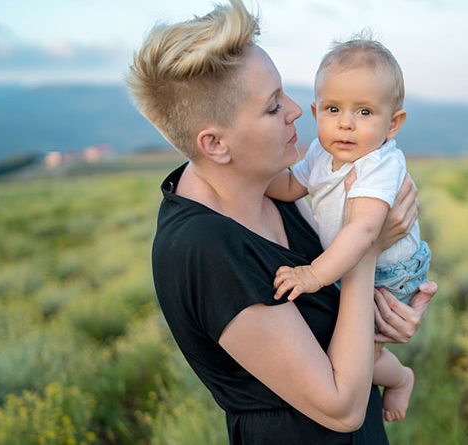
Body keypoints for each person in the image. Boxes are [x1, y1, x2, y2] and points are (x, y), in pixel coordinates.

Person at [126, 1, 437, 443]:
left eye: (285, 94)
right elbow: (341, 408)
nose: (296, 110)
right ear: (214, 144)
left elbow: (336, 322)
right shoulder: (205, 252)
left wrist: (385, 323)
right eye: (273, 107)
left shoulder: (265, 182)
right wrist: (367, 252)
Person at [265, 35, 431, 422]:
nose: (345, 124)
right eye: (334, 108)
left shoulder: (378, 164)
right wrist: (252, 178)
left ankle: (402, 378)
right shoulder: (324, 152)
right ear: (315, 110)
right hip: (350, 263)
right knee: (345, 346)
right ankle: (393, 374)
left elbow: (363, 233)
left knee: (361, 355)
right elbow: (292, 186)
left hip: (390, 275)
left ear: (394, 123)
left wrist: (313, 275)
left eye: (364, 113)